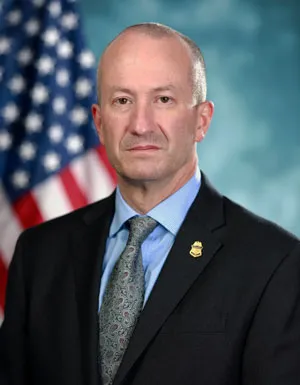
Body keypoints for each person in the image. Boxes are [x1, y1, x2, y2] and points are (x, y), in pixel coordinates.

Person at [0, 22, 300, 385]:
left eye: (163, 99)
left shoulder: (275, 263)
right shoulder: (38, 254)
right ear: (98, 122)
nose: (141, 125)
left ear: (201, 120)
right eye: (123, 100)